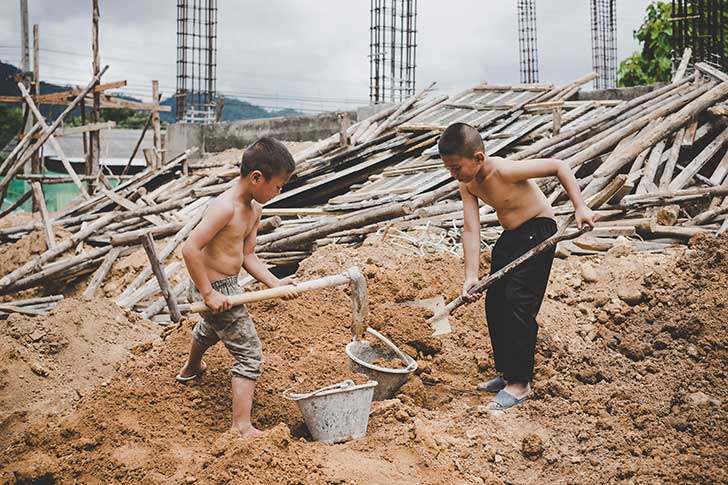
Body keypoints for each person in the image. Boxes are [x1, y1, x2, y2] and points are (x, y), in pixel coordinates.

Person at [438, 122, 595, 410]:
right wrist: (471, 276)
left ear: (479, 158)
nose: (453, 175)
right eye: (449, 168)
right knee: (495, 300)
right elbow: (471, 229)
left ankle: (520, 384)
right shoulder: (467, 184)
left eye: (456, 167)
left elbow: (559, 166)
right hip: (512, 236)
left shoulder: (504, 170)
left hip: (539, 228)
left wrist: (580, 206)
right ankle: (507, 373)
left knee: (518, 301)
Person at [176, 136, 297, 438]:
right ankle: (241, 426)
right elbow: (190, 248)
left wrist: (276, 283)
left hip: (228, 287)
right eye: (278, 186)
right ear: (257, 178)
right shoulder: (224, 208)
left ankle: (191, 369)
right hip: (211, 286)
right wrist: (207, 293)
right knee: (250, 355)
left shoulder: (254, 210)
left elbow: (247, 256)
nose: (279, 191)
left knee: (212, 328)